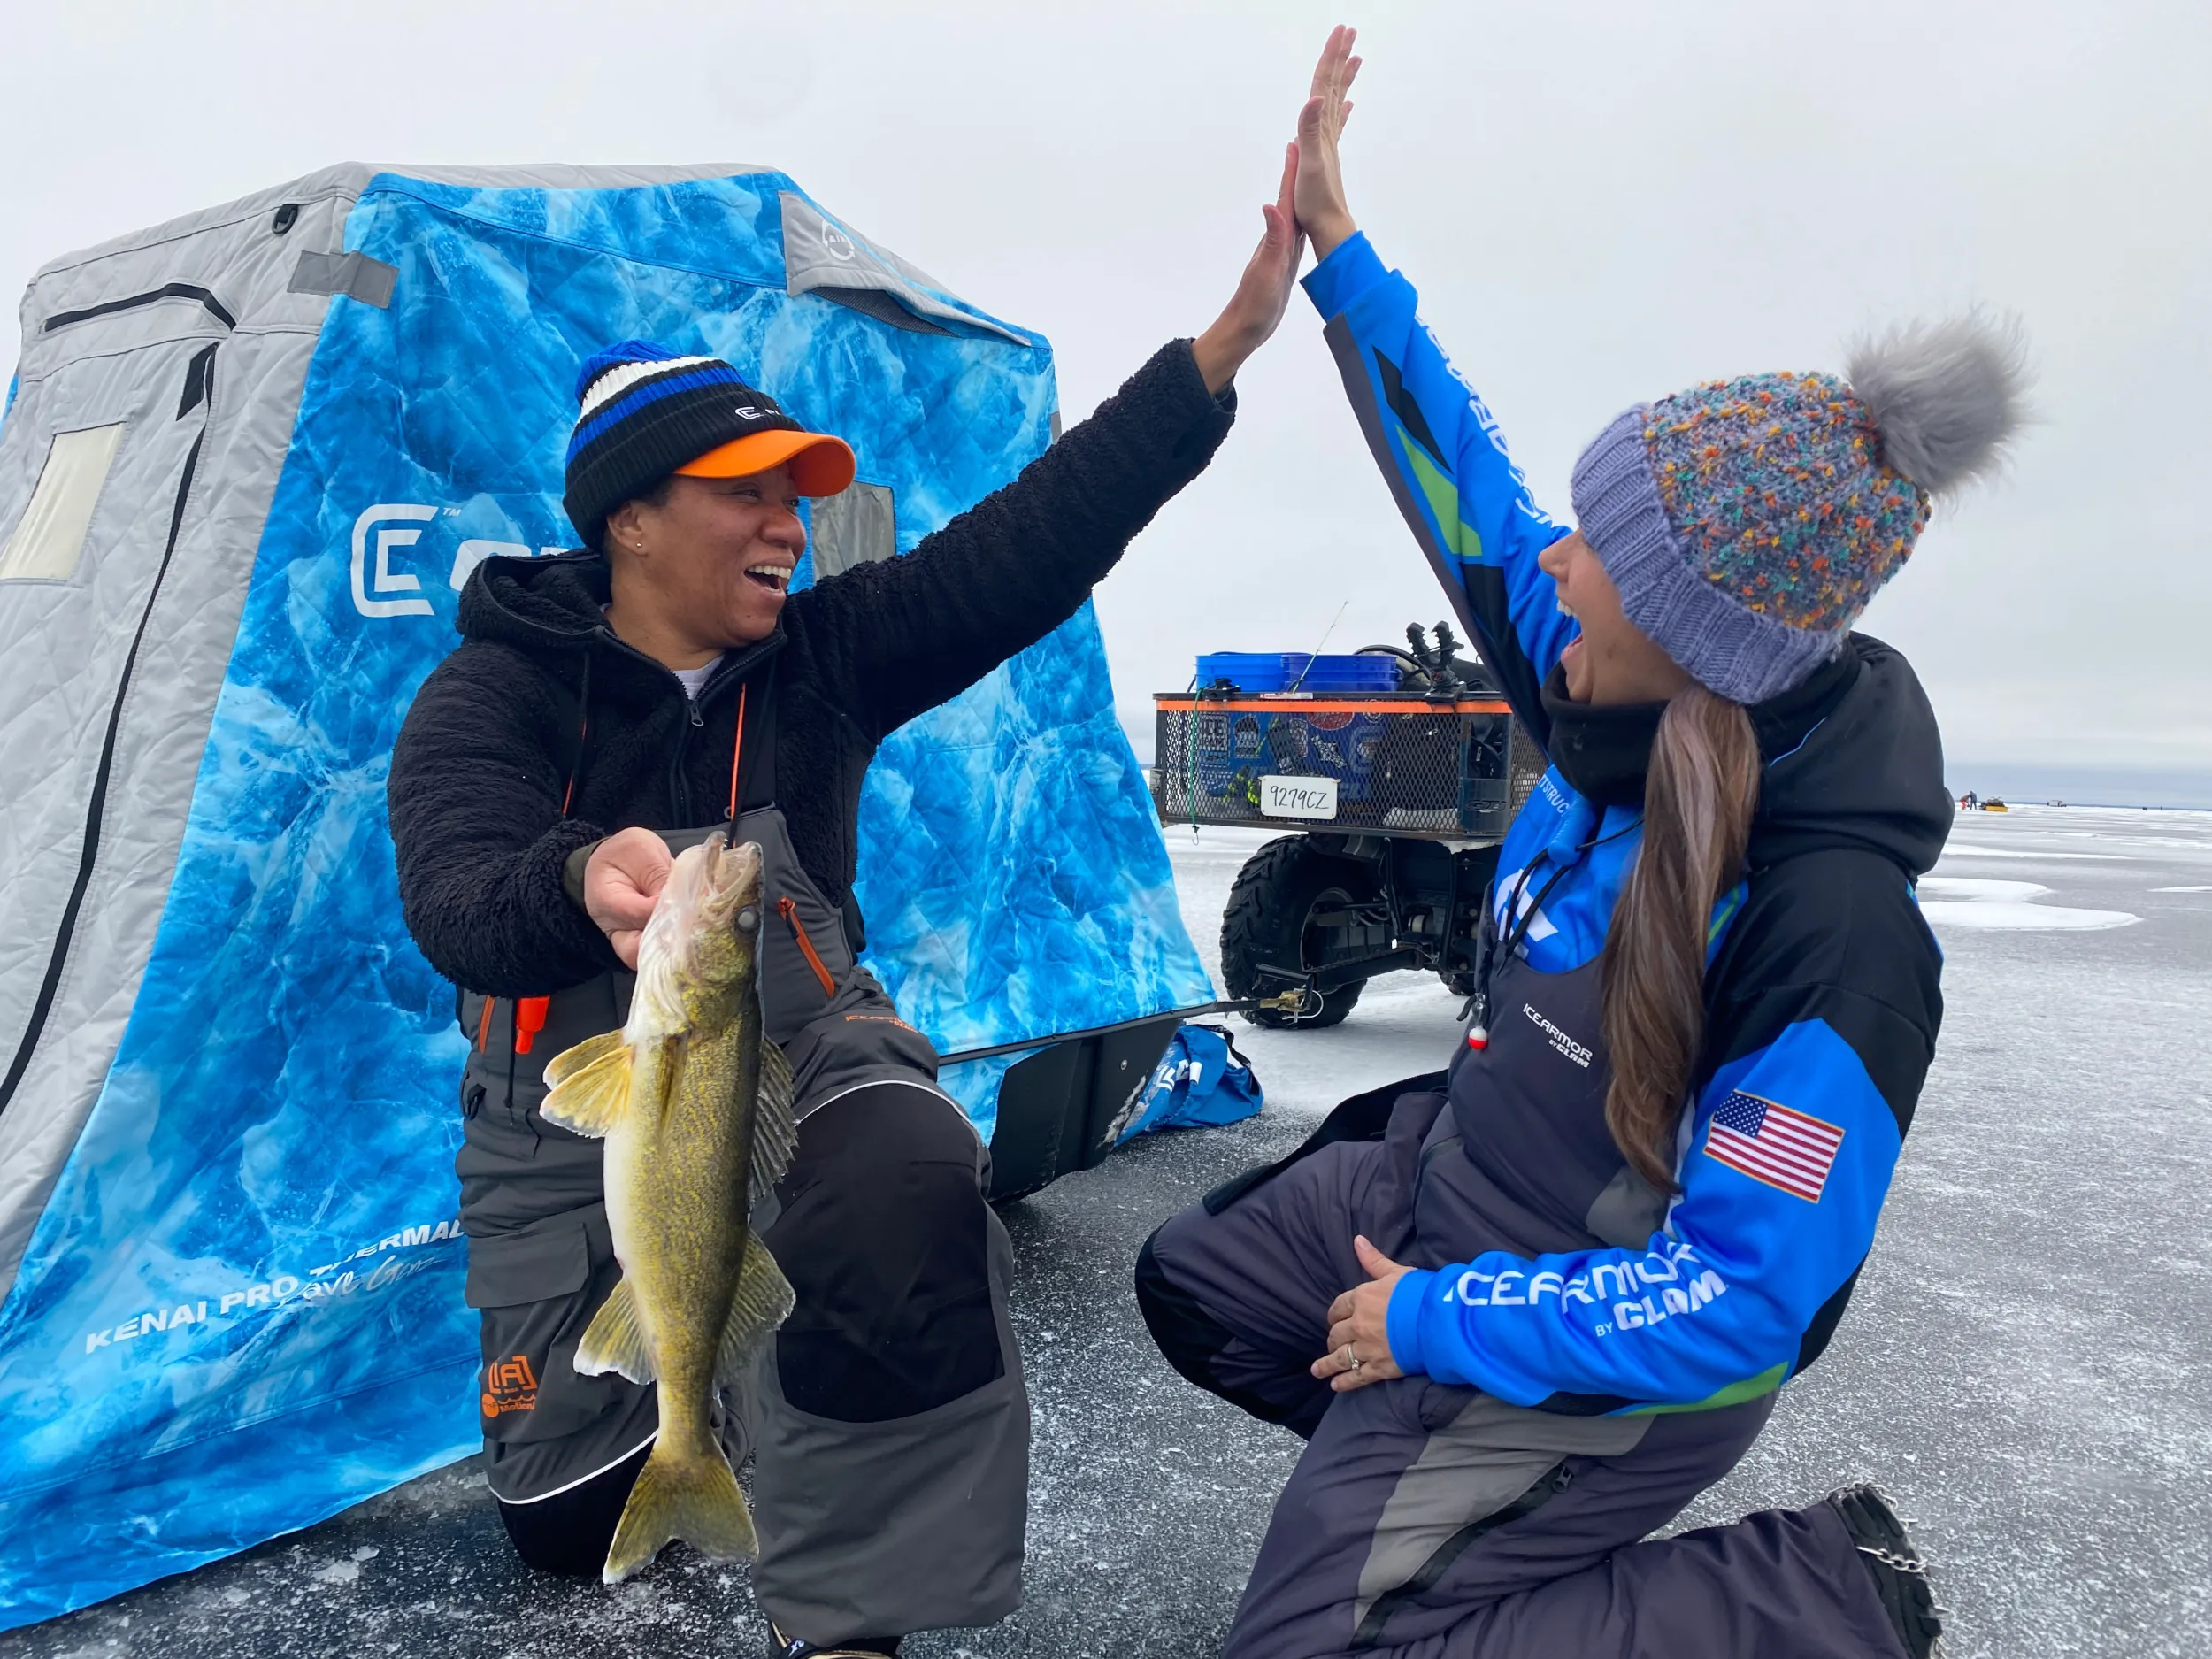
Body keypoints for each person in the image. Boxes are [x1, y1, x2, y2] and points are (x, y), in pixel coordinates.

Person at [1136, 28, 2027, 1659]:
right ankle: (1432, 1516)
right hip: (1463, 1193)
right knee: (1195, 1282)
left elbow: (1742, 1299)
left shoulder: (1833, 931)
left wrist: (1435, 1321)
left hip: (1613, 1329)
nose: (1562, 560)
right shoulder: (1603, 679)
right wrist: (1340, 246)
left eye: (1605, 549)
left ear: (1700, 632)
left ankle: (1811, 1598)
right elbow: (1463, 474)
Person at [388, 152, 1308, 1659]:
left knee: (898, 1174)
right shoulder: (491, 691)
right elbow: (454, 897)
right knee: (568, 1524)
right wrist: (571, 880)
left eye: (798, 496)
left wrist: (1218, 359)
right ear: (627, 517)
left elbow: (1032, 541)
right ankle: (742, 1395)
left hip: (800, 1057)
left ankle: (854, 1621)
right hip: (575, 1110)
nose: (789, 523)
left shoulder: (828, 657)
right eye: (745, 492)